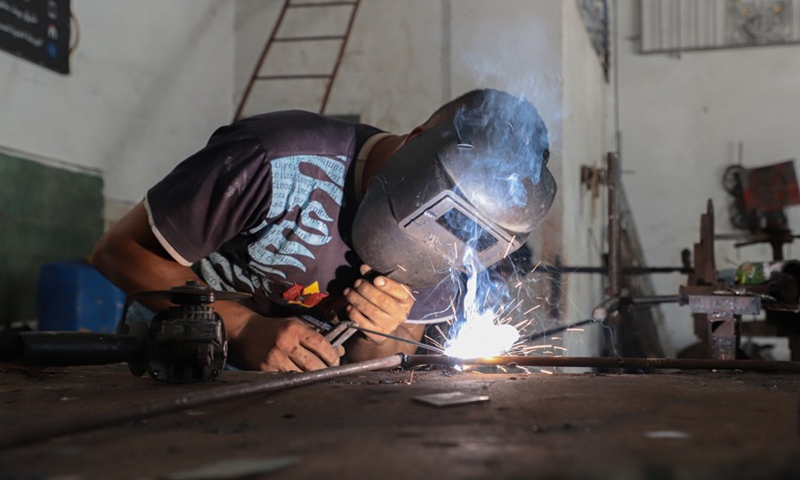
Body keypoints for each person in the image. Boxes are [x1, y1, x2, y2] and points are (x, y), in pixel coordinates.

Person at [91, 88, 555, 372]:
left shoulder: (464, 236)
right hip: (175, 362)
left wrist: (378, 333)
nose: (436, 243)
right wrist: (242, 328)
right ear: (415, 142)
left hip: (298, 402)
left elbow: (381, 358)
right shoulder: (275, 158)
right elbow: (117, 252)